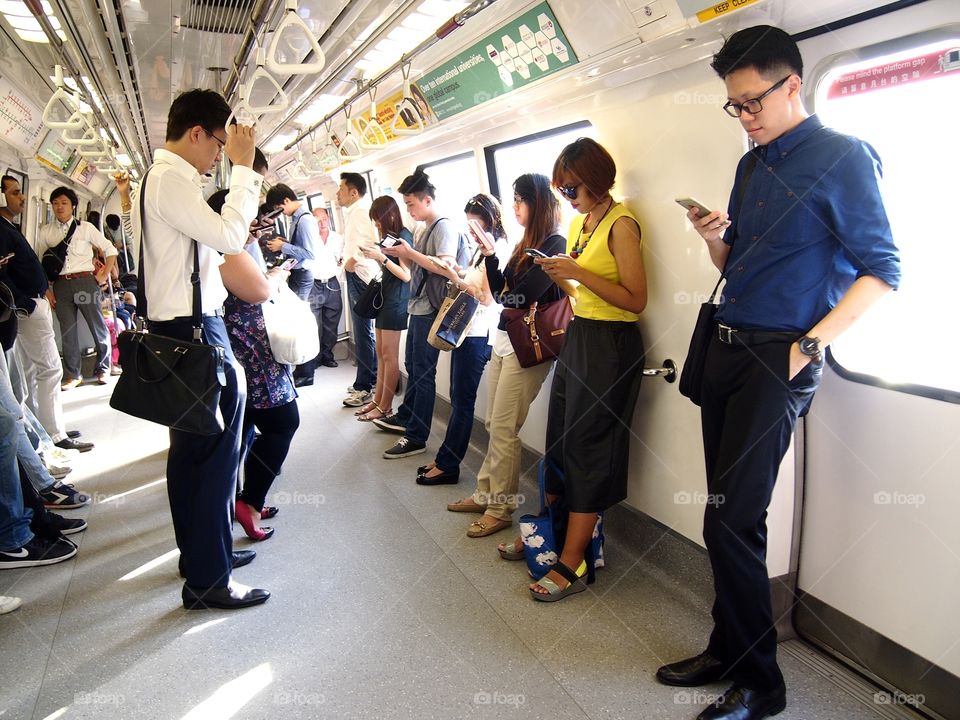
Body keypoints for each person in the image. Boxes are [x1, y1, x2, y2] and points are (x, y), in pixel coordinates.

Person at [655, 27, 901, 720]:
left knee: (732, 523)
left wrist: (810, 349)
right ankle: (726, 646)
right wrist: (713, 239)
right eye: (733, 105)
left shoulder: (844, 158)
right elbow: (736, 268)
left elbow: (885, 272)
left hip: (780, 358)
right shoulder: (753, 163)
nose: (745, 116)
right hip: (727, 347)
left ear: (793, 84)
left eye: (752, 101)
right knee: (723, 515)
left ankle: (763, 685)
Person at [131, 88, 270, 610]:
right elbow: (230, 237)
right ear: (196, 133)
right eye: (217, 143)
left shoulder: (166, 179)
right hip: (196, 331)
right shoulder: (170, 178)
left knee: (192, 456)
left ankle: (203, 557)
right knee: (214, 456)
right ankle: (209, 581)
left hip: (180, 329)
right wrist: (245, 170)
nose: (219, 154)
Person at [532, 138, 647, 601]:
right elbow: (587, 297)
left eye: (572, 189)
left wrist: (580, 274)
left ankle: (573, 560)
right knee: (558, 439)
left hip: (611, 346)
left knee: (587, 448)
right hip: (582, 336)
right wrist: (565, 277)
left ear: (597, 181)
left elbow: (636, 301)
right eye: (561, 191)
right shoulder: (583, 223)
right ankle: (552, 533)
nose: (568, 199)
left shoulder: (622, 224)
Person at [444, 179, 566, 540]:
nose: (514, 208)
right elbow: (501, 294)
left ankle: (500, 508)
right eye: (513, 201)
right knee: (493, 424)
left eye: (520, 201)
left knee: (504, 428)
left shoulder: (555, 242)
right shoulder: (525, 242)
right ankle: (485, 493)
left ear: (538, 204)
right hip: (504, 339)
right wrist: (491, 256)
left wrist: (508, 292)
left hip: (528, 346)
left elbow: (522, 296)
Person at [207, 189, 300, 543]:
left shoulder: (229, 245)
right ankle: (249, 502)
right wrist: (274, 279)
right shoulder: (226, 249)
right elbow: (259, 290)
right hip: (250, 352)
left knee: (243, 429)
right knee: (283, 423)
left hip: (240, 350)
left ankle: (238, 499)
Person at [375, 168, 471, 458]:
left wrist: (411, 253)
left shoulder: (443, 226)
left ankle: (416, 436)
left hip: (432, 307)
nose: (409, 210)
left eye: (411, 204)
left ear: (427, 200)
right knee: (414, 367)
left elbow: (445, 266)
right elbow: (419, 267)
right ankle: (406, 417)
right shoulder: (423, 227)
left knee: (423, 373)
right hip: (418, 305)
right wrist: (401, 253)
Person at [414, 195, 507, 489]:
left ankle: (448, 464)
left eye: (474, 222)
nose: (470, 229)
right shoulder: (482, 250)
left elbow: (487, 298)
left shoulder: (497, 249)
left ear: (488, 219)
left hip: (480, 333)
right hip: (467, 330)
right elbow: (476, 279)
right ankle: (444, 459)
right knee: (457, 396)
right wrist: (458, 272)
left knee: (463, 400)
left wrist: (455, 276)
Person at [0, 176, 93, 454]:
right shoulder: (1, 230)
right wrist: (25, 302)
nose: (22, 197)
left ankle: (44, 427)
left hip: (30, 304)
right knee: (50, 369)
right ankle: (55, 434)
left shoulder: (9, 226)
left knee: (32, 371)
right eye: (15, 192)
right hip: (28, 308)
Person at [36, 186, 118, 387]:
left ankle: (103, 368)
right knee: (67, 330)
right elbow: (38, 263)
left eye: (64, 203)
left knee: (97, 325)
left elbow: (110, 250)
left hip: (85, 283)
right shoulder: (46, 232)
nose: (59, 207)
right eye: (55, 203)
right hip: (61, 285)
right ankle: (73, 374)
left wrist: (104, 274)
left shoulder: (86, 228)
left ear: (73, 206)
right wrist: (47, 290)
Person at [355, 197, 411, 422]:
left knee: (389, 356)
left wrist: (381, 258)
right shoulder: (389, 238)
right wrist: (376, 256)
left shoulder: (404, 237)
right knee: (381, 354)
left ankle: (386, 406)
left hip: (396, 301)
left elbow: (406, 275)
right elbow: (390, 269)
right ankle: (377, 401)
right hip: (385, 298)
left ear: (390, 215)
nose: (377, 225)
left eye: (378, 221)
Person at [263, 183, 319, 386]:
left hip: (303, 275)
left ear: (286, 201)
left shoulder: (305, 220)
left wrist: (283, 246)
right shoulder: (296, 218)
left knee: (298, 324)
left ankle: (306, 373)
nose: (281, 213)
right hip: (296, 273)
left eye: (280, 208)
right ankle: (302, 370)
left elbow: (310, 254)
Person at [337, 172, 380, 407]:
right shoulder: (353, 211)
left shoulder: (361, 210)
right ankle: (366, 380)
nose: (337, 194)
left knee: (363, 333)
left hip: (361, 276)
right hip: (355, 274)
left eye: (341, 189)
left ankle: (365, 386)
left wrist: (352, 261)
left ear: (354, 192)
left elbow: (369, 241)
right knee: (362, 332)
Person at [298, 207, 343, 378]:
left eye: (324, 218)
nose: (322, 222)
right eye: (317, 219)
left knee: (332, 322)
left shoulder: (337, 238)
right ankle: (314, 358)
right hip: (314, 283)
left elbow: (341, 258)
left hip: (332, 282)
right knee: (314, 323)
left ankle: (327, 355)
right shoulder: (309, 238)